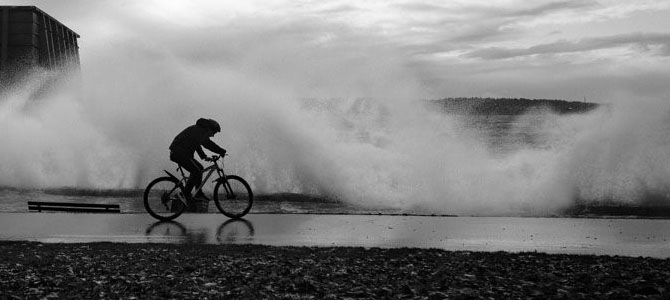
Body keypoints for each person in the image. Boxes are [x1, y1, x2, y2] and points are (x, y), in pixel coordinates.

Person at [169, 118, 227, 202]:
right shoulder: (200, 130)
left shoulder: (200, 130)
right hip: (179, 153)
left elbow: (203, 144)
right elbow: (202, 144)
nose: (213, 135)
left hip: (182, 153)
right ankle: (185, 195)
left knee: (199, 168)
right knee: (196, 171)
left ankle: (196, 193)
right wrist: (216, 152)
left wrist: (208, 155)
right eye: (214, 132)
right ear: (210, 128)